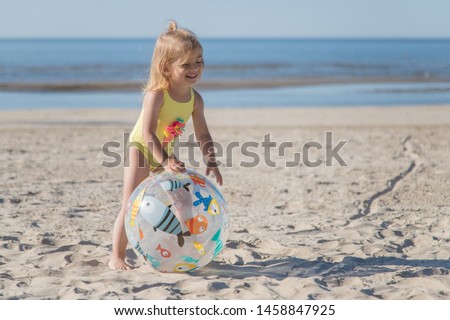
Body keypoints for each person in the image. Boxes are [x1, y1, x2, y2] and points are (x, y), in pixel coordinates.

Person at [108, 21, 223, 270]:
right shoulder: (157, 93)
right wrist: (165, 161)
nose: (195, 69)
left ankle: (187, 244)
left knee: (182, 197)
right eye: (186, 64)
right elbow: (148, 133)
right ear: (166, 67)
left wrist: (211, 159)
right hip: (142, 148)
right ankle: (117, 255)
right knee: (130, 202)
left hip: (165, 152)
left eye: (199, 61)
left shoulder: (195, 99)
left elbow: (203, 133)